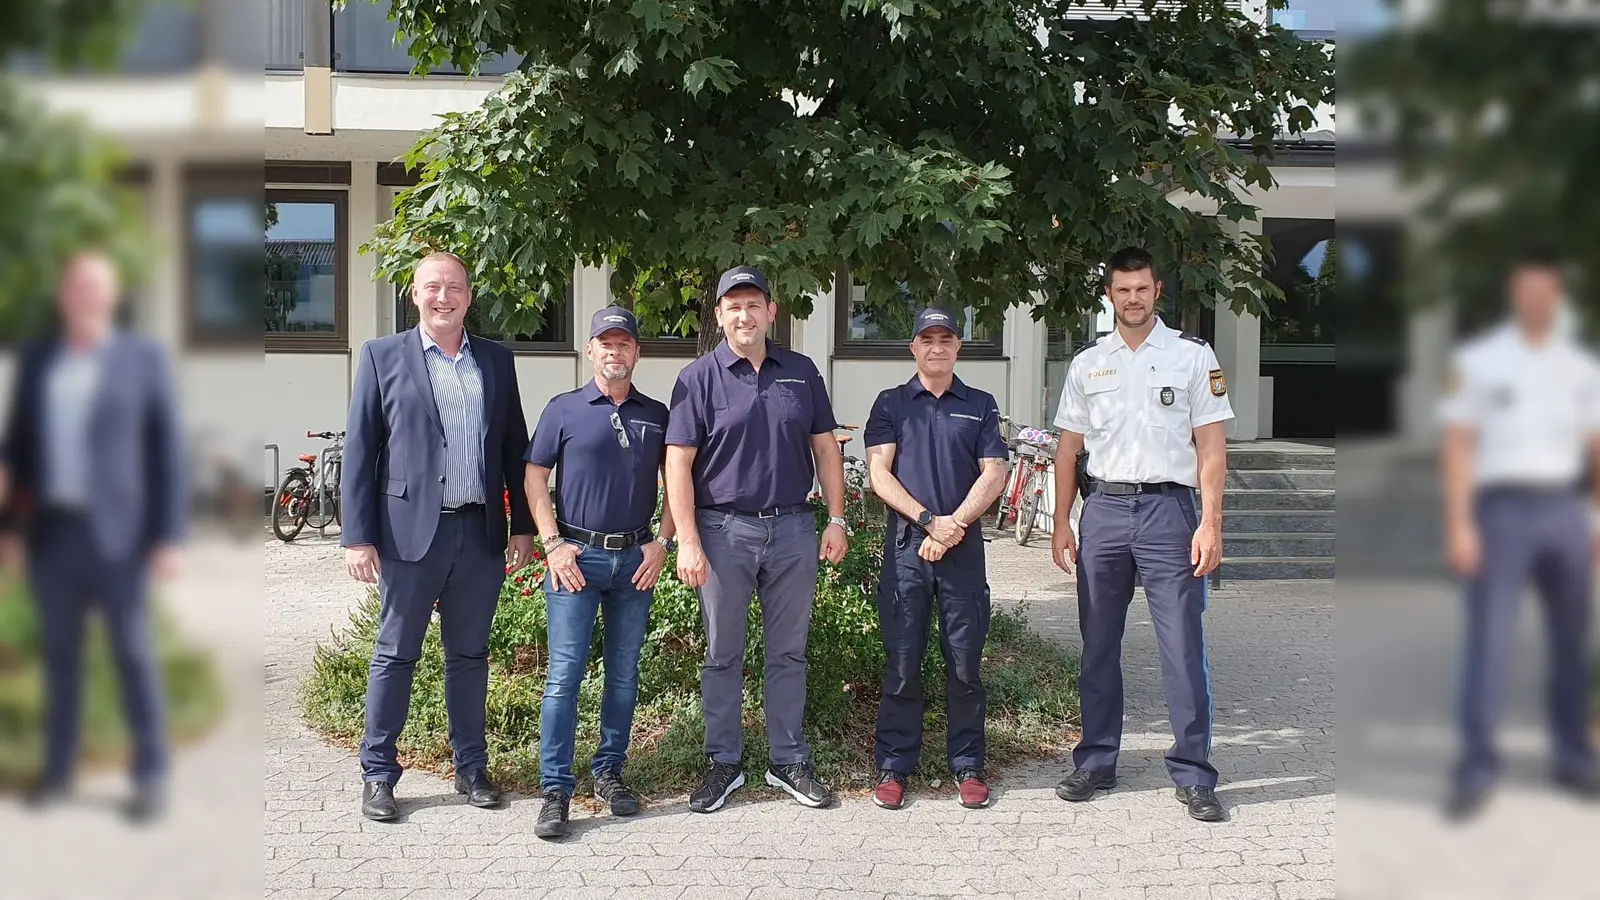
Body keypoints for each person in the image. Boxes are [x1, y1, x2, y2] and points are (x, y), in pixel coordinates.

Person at [340, 251, 535, 822]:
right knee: (395, 653)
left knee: (470, 655)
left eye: (454, 287)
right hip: (407, 536)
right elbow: (361, 451)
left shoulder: (496, 361)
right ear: (414, 294)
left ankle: (471, 767)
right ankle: (378, 773)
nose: (443, 297)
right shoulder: (382, 356)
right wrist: (358, 537)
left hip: (478, 533)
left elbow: (512, 447)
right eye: (432, 287)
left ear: (469, 296)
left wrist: (522, 524)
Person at [1049, 246, 1234, 823]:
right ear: (1109, 295)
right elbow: (1068, 450)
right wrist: (1060, 522)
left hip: (1169, 515)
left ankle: (1194, 773)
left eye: (1142, 288)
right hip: (1102, 510)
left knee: (1182, 646)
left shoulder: (1191, 357)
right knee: (1098, 644)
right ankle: (1097, 761)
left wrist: (1210, 522)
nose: (1133, 298)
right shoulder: (1087, 364)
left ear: (1158, 292)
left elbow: (1211, 448)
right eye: (1122, 289)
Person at [0, 249, 185, 823]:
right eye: (75, 286)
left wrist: (168, 535)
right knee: (61, 657)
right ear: (63, 297)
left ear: (111, 296)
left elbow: (165, 451)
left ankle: (150, 776)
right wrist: (7, 531)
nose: (84, 296)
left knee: (132, 654)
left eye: (94, 286)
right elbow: (17, 450)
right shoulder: (38, 360)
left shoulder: (142, 359)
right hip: (52, 533)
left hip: (120, 535)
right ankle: (59, 772)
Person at [664, 264, 849, 813]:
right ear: (719, 316)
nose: (744, 315)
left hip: (793, 528)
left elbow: (826, 450)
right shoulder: (698, 379)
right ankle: (724, 763)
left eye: (754, 305)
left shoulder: (801, 371)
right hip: (723, 532)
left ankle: (787, 760)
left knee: (789, 652)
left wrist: (836, 518)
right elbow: (678, 465)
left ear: (772, 312)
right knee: (723, 653)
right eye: (732, 306)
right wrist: (688, 540)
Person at [1438, 249, 1600, 821]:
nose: (1536, 300)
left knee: (1569, 643)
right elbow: (1459, 445)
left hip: (1564, 510)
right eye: (1527, 290)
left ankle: (1573, 760)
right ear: (1515, 293)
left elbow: (1594, 446)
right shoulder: (1481, 361)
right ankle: (1477, 769)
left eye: (1546, 291)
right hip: (1499, 514)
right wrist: (1459, 524)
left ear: (1558, 295)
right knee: (1491, 644)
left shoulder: (1580, 366)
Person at [522, 307, 676, 839]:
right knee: (564, 677)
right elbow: (534, 477)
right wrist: (552, 546)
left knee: (624, 676)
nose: (615, 351)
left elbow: (678, 480)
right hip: (576, 561)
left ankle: (609, 773)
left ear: (638, 352)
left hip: (635, 561)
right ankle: (555, 789)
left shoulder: (657, 413)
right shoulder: (564, 409)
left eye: (624, 343)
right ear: (589, 350)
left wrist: (663, 542)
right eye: (605, 343)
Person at [862, 307, 1009, 810]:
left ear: (958, 347)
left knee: (965, 666)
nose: (937, 348)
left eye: (946, 339)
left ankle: (967, 764)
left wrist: (952, 529)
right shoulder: (891, 404)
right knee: (903, 664)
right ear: (914, 346)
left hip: (962, 555)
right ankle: (895, 766)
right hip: (907, 554)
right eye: (928, 339)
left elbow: (994, 473)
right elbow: (879, 474)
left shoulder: (982, 405)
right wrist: (929, 521)